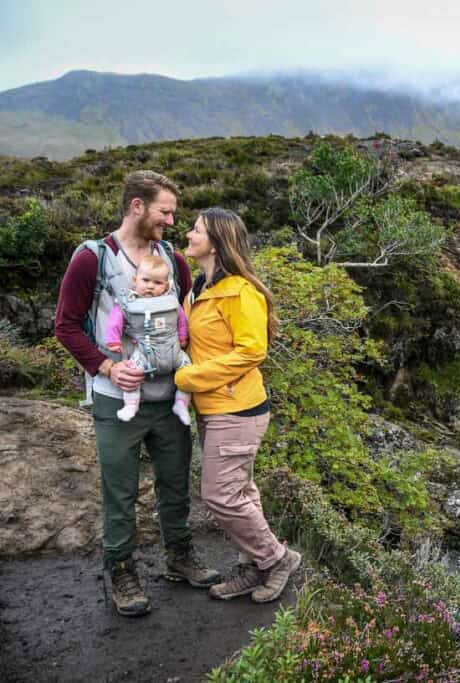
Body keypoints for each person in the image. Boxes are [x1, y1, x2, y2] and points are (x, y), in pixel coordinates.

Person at [55, 170, 220, 618]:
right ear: (136, 207)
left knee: (174, 483)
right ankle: (122, 570)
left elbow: (183, 327)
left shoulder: (173, 261)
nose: (171, 221)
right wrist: (107, 366)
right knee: (120, 489)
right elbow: (66, 326)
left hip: (170, 398)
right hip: (115, 399)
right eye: (165, 211)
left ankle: (180, 557)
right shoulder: (93, 259)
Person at [175, 207, 301, 603]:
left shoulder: (241, 292)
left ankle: (276, 559)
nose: (189, 234)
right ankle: (255, 566)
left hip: (238, 410)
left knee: (220, 496)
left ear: (216, 241)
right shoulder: (199, 287)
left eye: (196, 230)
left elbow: (252, 351)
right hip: (213, 408)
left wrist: (187, 378)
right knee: (241, 492)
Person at [102, 254, 192, 425]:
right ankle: (131, 405)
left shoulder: (170, 301)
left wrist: (182, 337)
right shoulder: (129, 302)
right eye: (146, 280)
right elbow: (116, 320)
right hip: (144, 352)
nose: (150, 286)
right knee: (132, 372)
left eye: (158, 283)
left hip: (174, 352)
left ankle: (181, 404)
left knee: (187, 372)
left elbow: (181, 320)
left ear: (166, 285)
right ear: (135, 280)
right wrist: (113, 340)